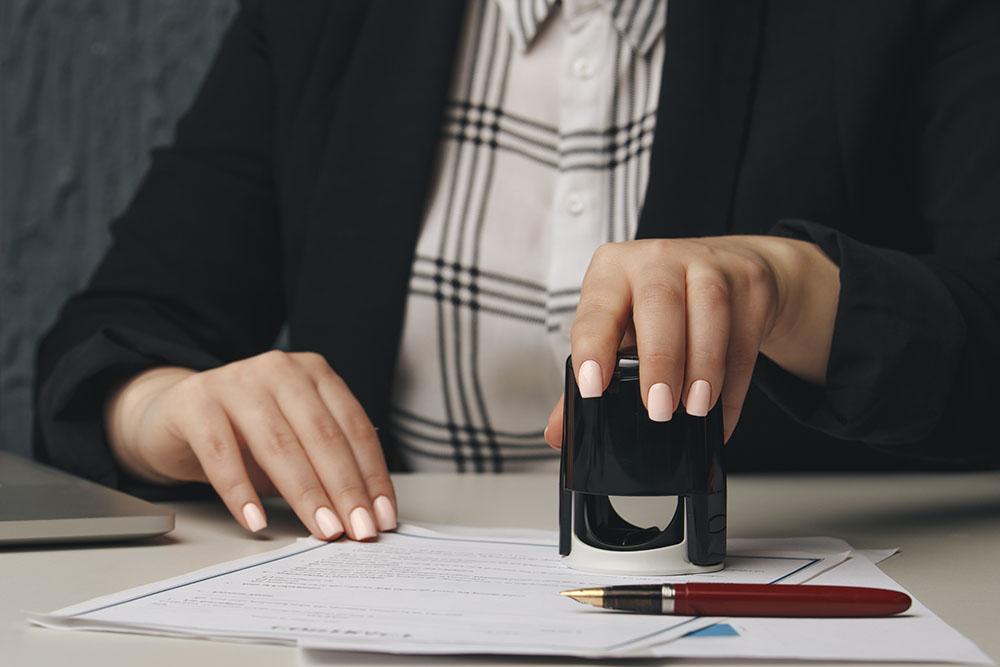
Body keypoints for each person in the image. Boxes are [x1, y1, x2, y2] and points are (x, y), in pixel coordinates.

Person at [34, 0, 1000, 543]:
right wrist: (169, 408)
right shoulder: (322, 18)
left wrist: (797, 289)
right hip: (384, 617)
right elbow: (112, 330)